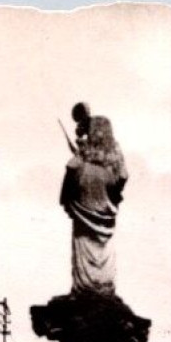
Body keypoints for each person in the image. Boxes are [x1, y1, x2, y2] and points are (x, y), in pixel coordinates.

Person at [59, 112, 128, 294]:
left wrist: (82, 154)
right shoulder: (112, 165)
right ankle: (104, 289)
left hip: (84, 208)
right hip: (106, 211)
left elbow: (71, 169)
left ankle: (84, 289)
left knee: (83, 246)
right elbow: (123, 175)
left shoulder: (81, 163)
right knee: (104, 252)